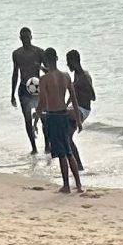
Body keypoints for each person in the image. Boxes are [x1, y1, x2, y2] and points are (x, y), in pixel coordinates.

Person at [37, 48, 83, 194]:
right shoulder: (66, 76)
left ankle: (66, 186)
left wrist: (35, 119)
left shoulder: (44, 79)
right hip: (64, 115)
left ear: (46, 61)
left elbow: (43, 102)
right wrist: (79, 120)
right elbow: (74, 100)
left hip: (53, 116)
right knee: (69, 151)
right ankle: (78, 184)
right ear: (57, 58)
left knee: (62, 153)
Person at [10, 27, 44, 152]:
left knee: (44, 118)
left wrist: (40, 68)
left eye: (27, 37)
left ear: (31, 37)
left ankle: (47, 146)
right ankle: (34, 148)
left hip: (37, 88)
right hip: (24, 88)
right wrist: (12, 94)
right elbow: (15, 74)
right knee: (27, 119)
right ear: (20, 38)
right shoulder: (17, 54)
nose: (25, 40)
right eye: (23, 38)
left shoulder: (39, 52)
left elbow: (49, 69)